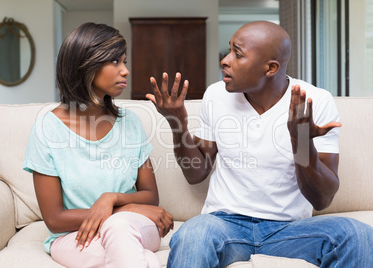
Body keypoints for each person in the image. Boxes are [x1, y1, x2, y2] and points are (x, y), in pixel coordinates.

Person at [146, 21, 373, 267]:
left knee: (357, 234)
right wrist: (177, 122)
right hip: (225, 224)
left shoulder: (315, 100)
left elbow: (322, 199)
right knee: (193, 233)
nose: (225, 60)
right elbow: (196, 173)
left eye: (238, 54)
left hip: (291, 230)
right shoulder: (216, 94)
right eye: (229, 50)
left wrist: (300, 142)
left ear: (271, 68)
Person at [23, 22, 173, 268]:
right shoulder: (47, 129)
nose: (125, 71)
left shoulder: (130, 123)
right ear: (85, 65)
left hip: (134, 226)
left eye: (124, 61)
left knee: (120, 227)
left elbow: (151, 196)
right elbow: (55, 219)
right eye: (114, 61)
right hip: (75, 235)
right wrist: (119, 210)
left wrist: (110, 198)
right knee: (139, 258)